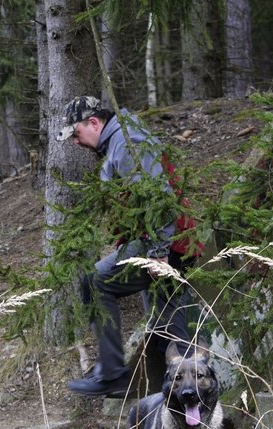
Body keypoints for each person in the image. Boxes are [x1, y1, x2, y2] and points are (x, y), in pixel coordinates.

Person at [56, 95, 194, 397]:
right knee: (168, 329)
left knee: (95, 282)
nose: (76, 143)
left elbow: (159, 198)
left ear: (94, 123)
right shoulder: (119, 140)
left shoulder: (127, 142)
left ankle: (113, 375)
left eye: (76, 134)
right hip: (167, 242)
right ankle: (190, 404)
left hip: (164, 243)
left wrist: (158, 256)